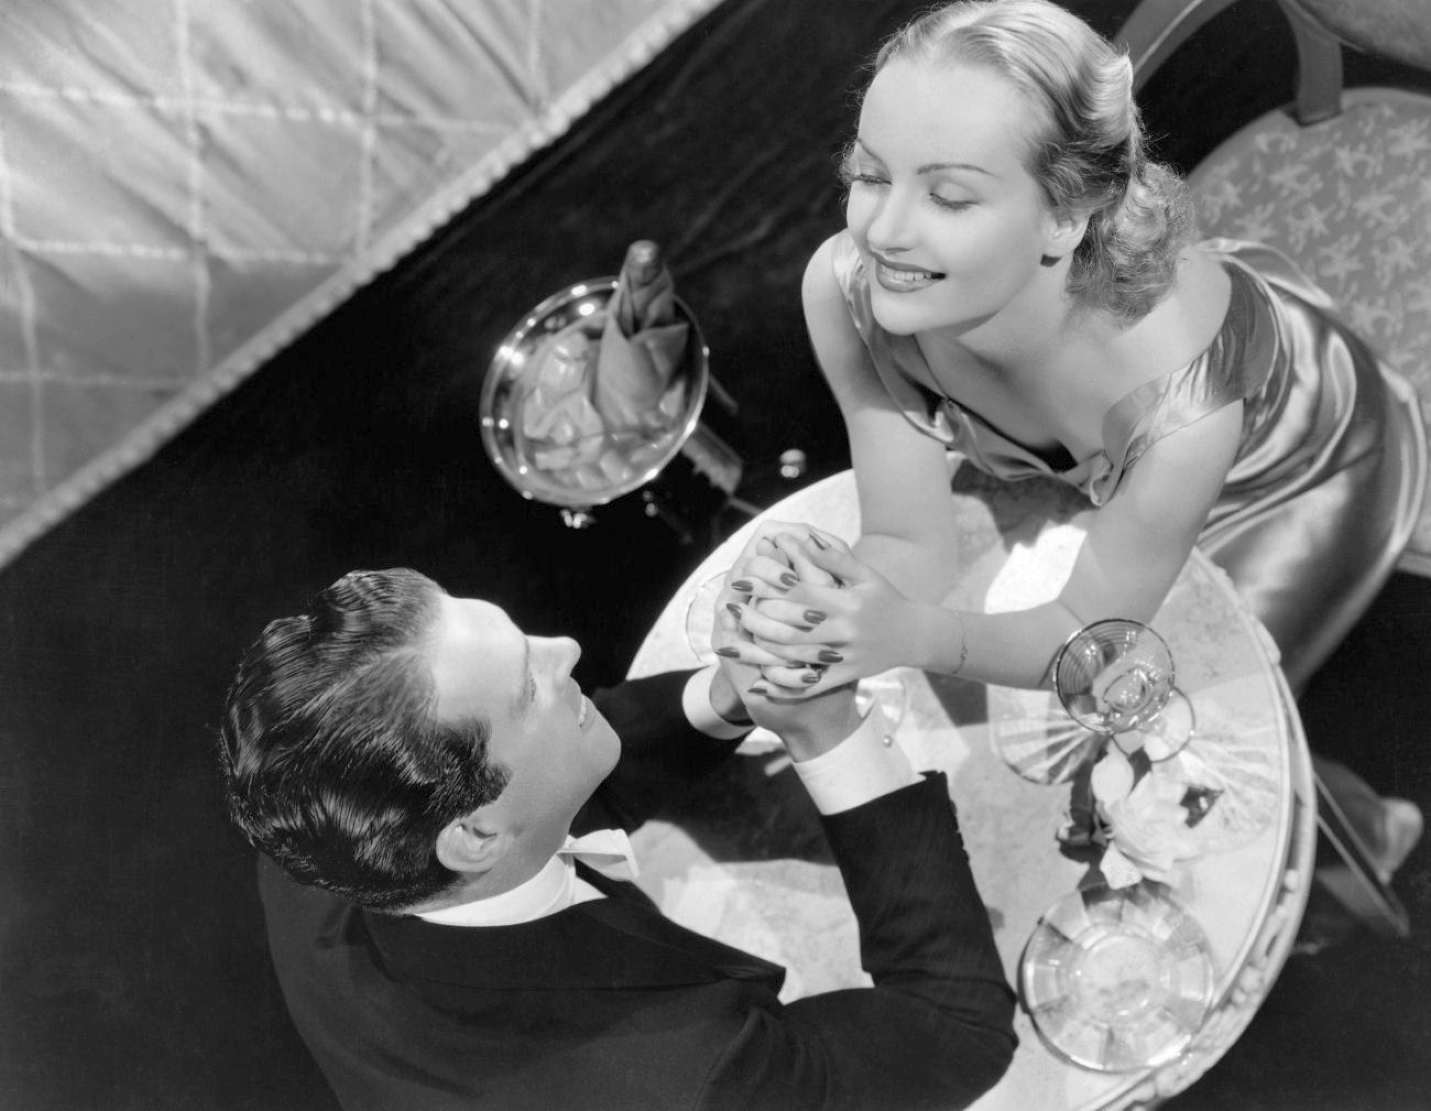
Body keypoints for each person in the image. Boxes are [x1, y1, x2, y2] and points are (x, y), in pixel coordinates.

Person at [722, 1, 1423, 885]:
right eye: (869, 173)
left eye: (947, 196)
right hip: (1119, 501)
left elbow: (1085, 637)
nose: (883, 232)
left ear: (1065, 216)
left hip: (1288, 470)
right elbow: (907, 537)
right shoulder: (846, 291)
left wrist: (912, 633)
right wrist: (812, 631)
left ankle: (1356, 840)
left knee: (1180, 753)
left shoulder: (1182, 408)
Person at [218, 566, 1016, 1111]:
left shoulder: (315, 827)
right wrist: (829, 733)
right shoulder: (684, 1077)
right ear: (474, 835)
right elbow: (956, 1029)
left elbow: (536, 784)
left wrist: (726, 695)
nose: (565, 647)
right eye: (528, 685)